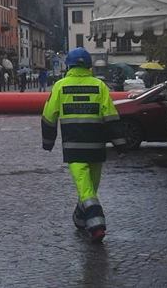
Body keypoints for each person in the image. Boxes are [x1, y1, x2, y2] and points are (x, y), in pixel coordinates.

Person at [41, 47, 126, 243]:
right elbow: (111, 116)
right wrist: (120, 144)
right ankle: (80, 219)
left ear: (68, 66)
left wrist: (48, 143)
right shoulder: (100, 86)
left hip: (74, 148)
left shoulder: (60, 86)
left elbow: (48, 117)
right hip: (96, 147)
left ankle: (96, 225)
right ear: (89, 66)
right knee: (90, 188)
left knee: (86, 190)